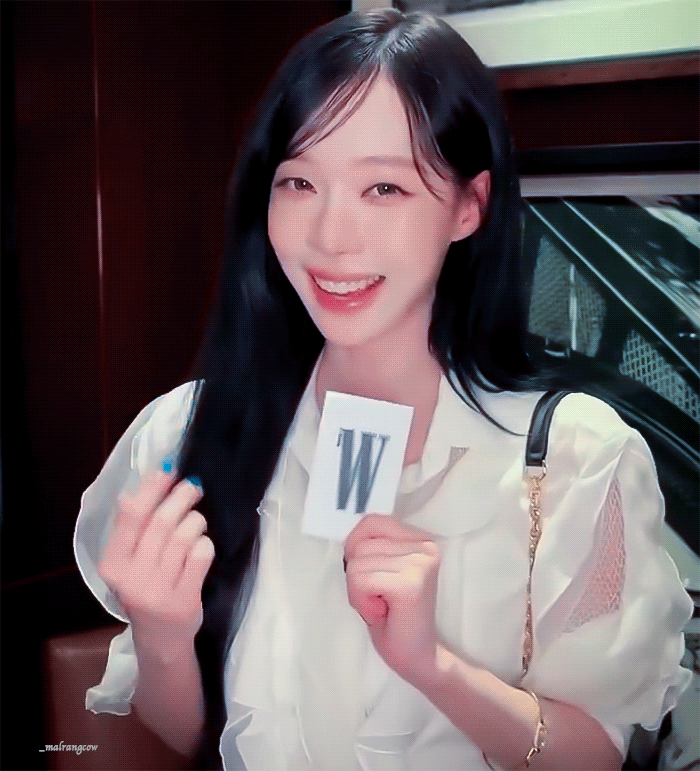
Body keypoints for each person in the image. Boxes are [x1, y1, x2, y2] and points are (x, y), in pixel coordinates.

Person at [73, 8, 694, 771]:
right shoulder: (187, 432)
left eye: (384, 188)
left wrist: (432, 664)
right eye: (299, 181)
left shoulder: (575, 457)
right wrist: (163, 637)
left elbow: (593, 756)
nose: (331, 237)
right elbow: (191, 736)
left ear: (469, 205)